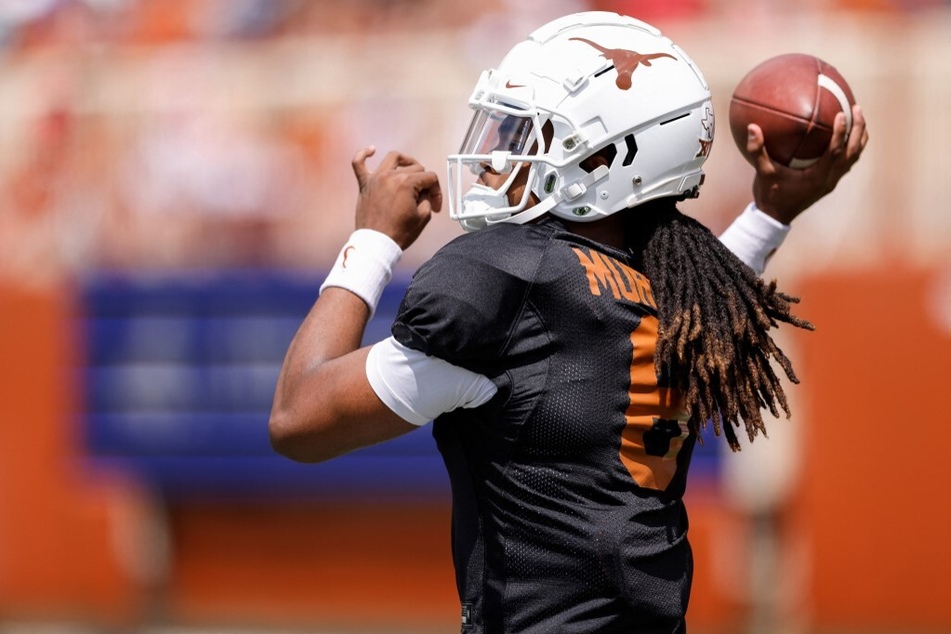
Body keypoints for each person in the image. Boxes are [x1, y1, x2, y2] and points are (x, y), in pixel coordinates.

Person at [269, 11, 868, 633]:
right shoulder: (680, 283)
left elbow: (298, 419)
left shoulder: (509, 281)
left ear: (606, 156)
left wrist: (371, 240)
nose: (495, 155)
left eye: (524, 134)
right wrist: (772, 213)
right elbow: (693, 294)